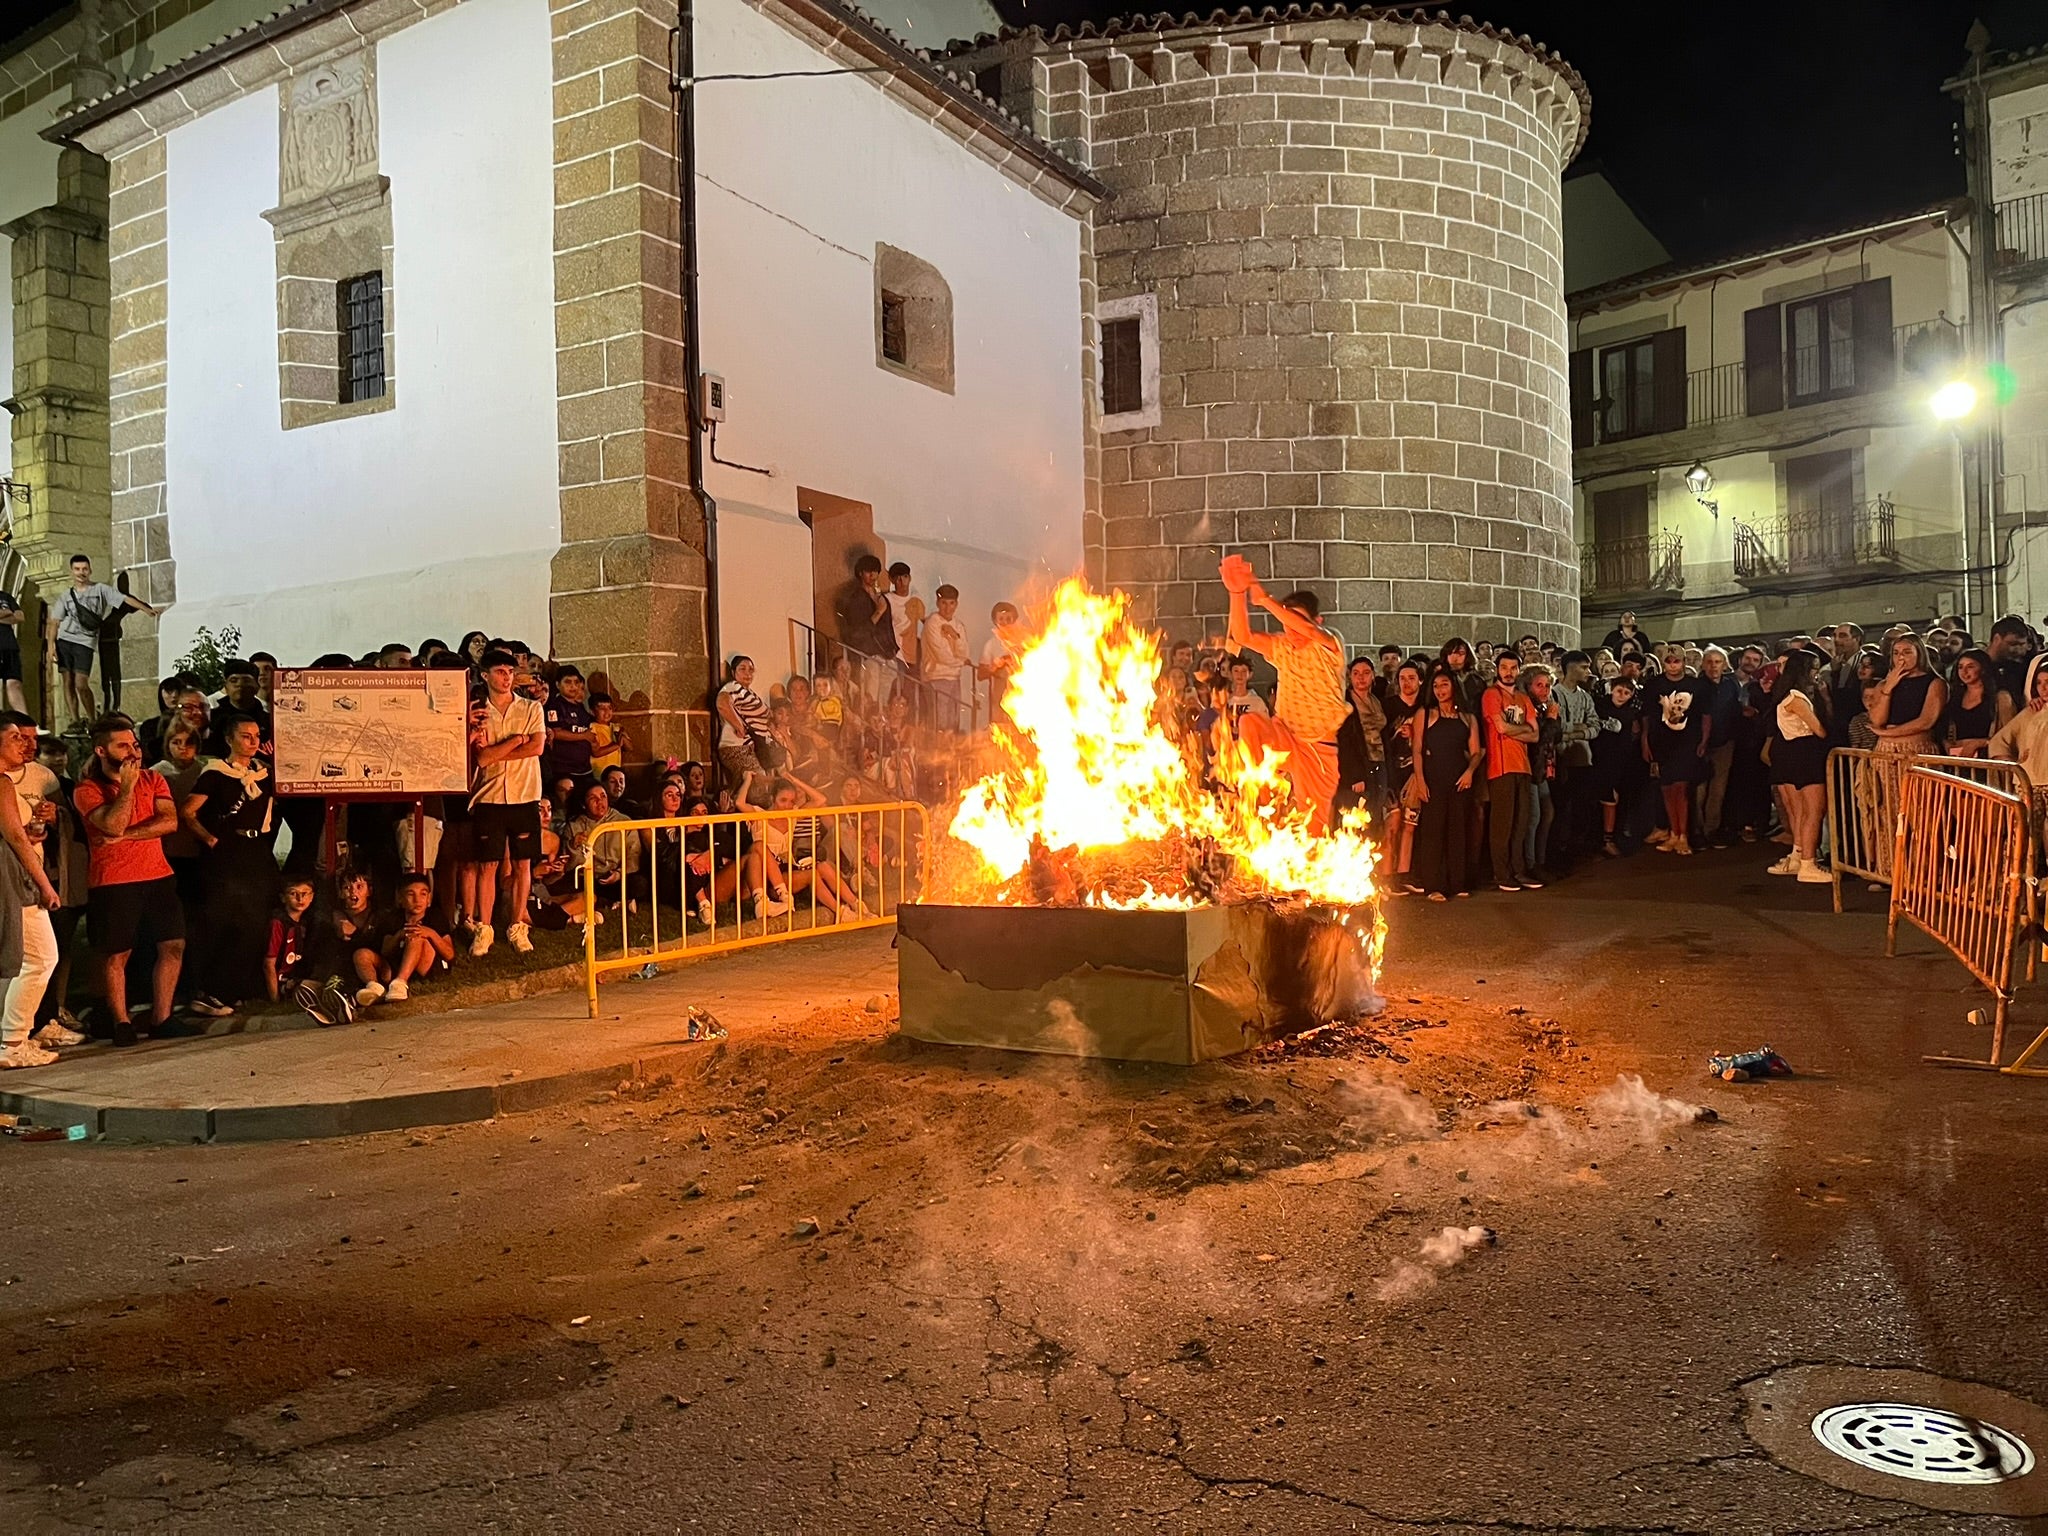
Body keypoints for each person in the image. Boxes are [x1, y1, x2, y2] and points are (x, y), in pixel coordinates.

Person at [72, 715, 185, 1045]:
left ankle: (161, 1018)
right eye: (123, 745)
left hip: (158, 875)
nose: (133, 750)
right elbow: (112, 824)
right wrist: (126, 789)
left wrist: (124, 838)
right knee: (117, 953)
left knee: (173, 944)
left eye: (134, 743)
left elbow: (169, 822)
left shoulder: (154, 779)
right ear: (102, 750)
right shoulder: (88, 789)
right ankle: (120, 1021)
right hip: (115, 881)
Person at [1218, 554, 1349, 832]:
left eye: (1297, 621)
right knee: (1249, 722)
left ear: (1317, 620)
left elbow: (1309, 631)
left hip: (1318, 747)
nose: (1291, 630)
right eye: (1286, 623)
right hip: (1284, 735)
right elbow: (1243, 637)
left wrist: (1265, 599)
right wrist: (1237, 592)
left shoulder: (1329, 644)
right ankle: (1263, 813)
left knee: (1314, 828)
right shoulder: (1281, 646)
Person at [180, 716, 276, 1014]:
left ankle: (240, 988)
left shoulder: (264, 772)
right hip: (228, 852)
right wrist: (209, 840)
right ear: (229, 739)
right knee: (228, 919)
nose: (253, 741)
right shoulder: (216, 773)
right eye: (245, 736)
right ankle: (211, 990)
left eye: (256, 735)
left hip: (257, 849)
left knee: (257, 919)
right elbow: (188, 811)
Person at [0, 713, 71, 1068]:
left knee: (14, 960)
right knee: (41, 956)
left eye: (31, 739)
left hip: (13, 872)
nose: (28, 745)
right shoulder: (2, 783)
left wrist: (33, 832)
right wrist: (46, 886)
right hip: (14, 878)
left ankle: (10, 1037)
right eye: (17, 738)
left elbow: (16, 833)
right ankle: (13, 1040)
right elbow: (14, 837)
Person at [467, 648, 546, 958]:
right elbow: (483, 758)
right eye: (500, 672)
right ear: (485, 675)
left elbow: (537, 746)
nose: (506, 678)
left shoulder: (530, 708)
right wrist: (515, 741)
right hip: (489, 795)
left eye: (510, 672)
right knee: (488, 863)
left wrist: (499, 751)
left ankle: (516, 925)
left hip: (525, 793)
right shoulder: (478, 710)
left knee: (524, 862)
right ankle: (484, 927)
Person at [46, 555, 161, 729]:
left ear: (89, 570)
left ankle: (92, 718)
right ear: (72, 572)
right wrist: (51, 646)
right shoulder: (66, 596)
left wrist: (147, 609)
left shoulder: (100, 589)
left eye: (84, 569)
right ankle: (75, 720)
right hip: (65, 640)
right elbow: (54, 621)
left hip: (85, 642)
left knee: (81, 683)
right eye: (77, 569)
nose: (81, 573)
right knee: (67, 681)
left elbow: (124, 599)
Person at [1409, 668, 1482, 901]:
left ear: (1454, 687)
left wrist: (1470, 772)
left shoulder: (1467, 718)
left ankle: (1457, 883)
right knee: (1433, 832)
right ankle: (1433, 886)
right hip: (1433, 778)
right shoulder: (1426, 713)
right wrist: (1420, 780)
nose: (1439, 690)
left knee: (1458, 831)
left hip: (1460, 779)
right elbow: (1417, 750)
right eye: (1436, 686)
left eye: (1444, 685)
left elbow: (1476, 751)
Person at [1768, 650, 1833, 884]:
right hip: (1805, 753)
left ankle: (1799, 856)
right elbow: (1820, 730)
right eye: (1814, 668)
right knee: (1813, 810)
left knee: (1803, 810)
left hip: (1792, 751)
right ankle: (1808, 863)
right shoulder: (1796, 698)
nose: (1817, 673)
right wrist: (1824, 703)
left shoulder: (1785, 694)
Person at [1480, 652, 1540, 890]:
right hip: (1500, 766)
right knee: (1502, 824)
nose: (1508, 672)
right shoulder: (1491, 695)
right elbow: (1500, 727)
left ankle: (1519, 870)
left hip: (1522, 766)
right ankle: (1501, 873)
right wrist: (1521, 729)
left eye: (1513, 668)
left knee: (1521, 822)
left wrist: (1515, 729)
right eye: (1504, 667)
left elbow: (1535, 735)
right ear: (1497, 669)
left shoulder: (1524, 698)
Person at [1641, 647, 1706, 857]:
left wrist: (1704, 740)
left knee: (1681, 788)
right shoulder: (1654, 685)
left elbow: (1706, 715)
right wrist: (1645, 740)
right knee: (1667, 788)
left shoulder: (1696, 685)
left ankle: (1683, 834)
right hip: (1661, 742)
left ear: (1683, 662)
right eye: (1668, 661)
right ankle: (1673, 832)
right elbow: (1647, 716)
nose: (1672, 664)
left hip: (1687, 742)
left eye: (1676, 661)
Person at [1379, 660, 1425, 883]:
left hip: (1414, 774)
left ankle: (1404, 875)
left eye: (1412, 678)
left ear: (1420, 680)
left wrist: (1414, 734)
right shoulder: (1387, 706)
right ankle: (1388, 874)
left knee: (1410, 825)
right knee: (1392, 825)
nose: (1407, 683)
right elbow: (1378, 738)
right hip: (1391, 772)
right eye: (1402, 678)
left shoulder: (1425, 708)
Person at [375, 874, 455, 1002]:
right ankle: (376, 987)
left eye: (423, 894)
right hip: (400, 962)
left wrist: (430, 933)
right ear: (400, 899)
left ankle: (400, 982)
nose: (417, 900)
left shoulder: (436, 917)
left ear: (429, 899)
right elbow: (385, 951)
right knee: (362, 955)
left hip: (429, 966)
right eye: (411, 894)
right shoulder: (393, 918)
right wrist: (400, 935)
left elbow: (450, 954)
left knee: (416, 937)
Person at [1692, 647, 1742, 846]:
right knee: (1699, 789)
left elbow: (1735, 709)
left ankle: (1711, 829)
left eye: (1718, 662)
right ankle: (1696, 830)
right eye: (1710, 662)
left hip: (1725, 742)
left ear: (1724, 664)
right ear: (1703, 665)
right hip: (1700, 743)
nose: (1714, 666)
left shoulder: (1730, 685)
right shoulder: (1696, 686)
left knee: (1718, 789)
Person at [1590, 675, 1645, 858]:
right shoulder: (1598, 707)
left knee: (1612, 800)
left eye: (1627, 693)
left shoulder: (1629, 715)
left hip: (1618, 763)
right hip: (1598, 760)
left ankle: (1609, 839)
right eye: (1619, 691)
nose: (1622, 695)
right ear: (1612, 689)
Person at [834, 554, 898, 705]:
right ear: (861, 573)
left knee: (883, 699)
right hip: (868, 655)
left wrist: (892, 649)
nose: (873, 575)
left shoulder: (880, 597)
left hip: (885, 653)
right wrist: (878, 612)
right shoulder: (856, 599)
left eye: (875, 571)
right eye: (869, 571)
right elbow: (858, 632)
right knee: (871, 697)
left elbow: (887, 626)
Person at [1333, 657, 1388, 828]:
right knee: (1354, 817)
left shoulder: (1376, 700)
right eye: (1356, 673)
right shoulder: (1346, 701)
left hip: (1378, 762)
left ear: (1373, 675)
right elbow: (1345, 741)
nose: (1361, 677)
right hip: (1357, 765)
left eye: (1366, 673)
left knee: (1375, 815)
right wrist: (1355, 774)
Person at [715, 655, 775, 804]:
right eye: (742, 669)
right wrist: (739, 726)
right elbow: (722, 703)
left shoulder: (749, 693)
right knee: (757, 782)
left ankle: (728, 809)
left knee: (745, 786)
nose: (747, 673)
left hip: (749, 748)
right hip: (737, 747)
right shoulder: (733, 687)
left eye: (751, 670)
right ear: (734, 672)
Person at [1943, 647, 2015, 758]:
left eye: (1970, 666)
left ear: (1983, 669)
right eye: (1960, 667)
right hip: (1959, 759)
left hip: (1989, 760)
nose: (1964, 671)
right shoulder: (1955, 696)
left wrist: (1979, 743)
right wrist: (1946, 743)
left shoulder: (2000, 698)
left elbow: (2010, 734)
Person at [264, 875, 319, 1013]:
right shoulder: (278, 923)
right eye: (293, 893)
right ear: (283, 898)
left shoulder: (307, 922)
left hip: (296, 976)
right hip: (282, 982)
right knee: (309, 988)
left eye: (304, 893)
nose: (300, 899)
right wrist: (275, 1000)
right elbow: (269, 964)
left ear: (312, 897)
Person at [922, 584, 971, 732]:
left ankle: (949, 755)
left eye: (951, 603)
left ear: (956, 604)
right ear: (937, 603)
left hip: (954, 679)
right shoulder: (932, 623)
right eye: (943, 603)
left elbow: (964, 652)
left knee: (953, 723)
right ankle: (936, 754)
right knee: (939, 723)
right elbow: (942, 655)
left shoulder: (958, 626)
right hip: (936, 678)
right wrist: (960, 662)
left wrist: (954, 636)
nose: (947, 607)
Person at [545, 665, 596, 788]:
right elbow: (556, 732)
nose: (573, 686)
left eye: (576, 682)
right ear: (558, 685)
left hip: (584, 768)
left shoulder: (580, 707)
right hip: (564, 769)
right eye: (568, 682)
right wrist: (584, 736)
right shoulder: (555, 706)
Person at [206, 660, 271, 755]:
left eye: (246, 680)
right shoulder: (211, 719)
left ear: (257, 686)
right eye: (234, 680)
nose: (239, 684)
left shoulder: (269, 721)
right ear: (226, 687)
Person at [977, 602, 1025, 715]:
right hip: (1001, 692)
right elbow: (981, 674)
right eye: (1001, 619)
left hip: (1023, 692)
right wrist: (995, 666)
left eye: (1009, 619)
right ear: (995, 621)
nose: (1005, 623)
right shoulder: (991, 644)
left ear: (1015, 620)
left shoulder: (1025, 641)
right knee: (1001, 727)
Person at [0, 584, 27, 714]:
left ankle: (27, 725)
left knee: (14, 684)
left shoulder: (5, 596)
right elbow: (12, 614)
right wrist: (7, 612)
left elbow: (20, 616)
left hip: (9, 646)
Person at [588, 693, 626, 777]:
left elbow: (630, 747)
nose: (607, 711)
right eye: (602, 708)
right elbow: (596, 753)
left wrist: (622, 735)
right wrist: (617, 745)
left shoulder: (615, 726)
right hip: (600, 772)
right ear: (592, 711)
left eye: (610, 708)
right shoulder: (592, 728)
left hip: (615, 771)